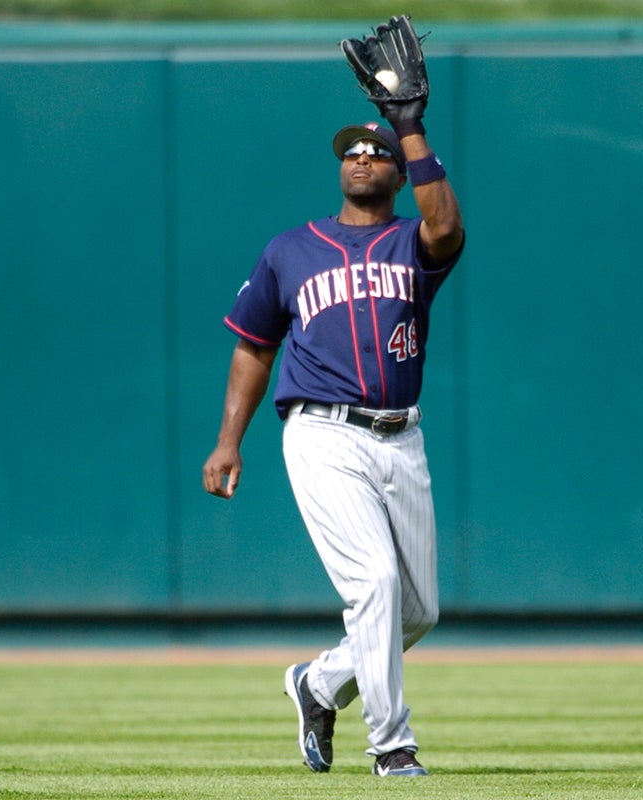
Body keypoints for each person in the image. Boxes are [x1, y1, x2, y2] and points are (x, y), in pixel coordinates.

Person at [201, 57, 464, 776]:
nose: (361, 158)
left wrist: (410, 124)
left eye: (377, 151)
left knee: (417, 612)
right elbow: (253, 347)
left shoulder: (415, 242)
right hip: (320, 431)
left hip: (400, 435)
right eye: (351, 149)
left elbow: (448, 226)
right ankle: (393, 747)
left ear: (400, 171)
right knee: (375, 585)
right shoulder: (290, 250)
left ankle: (318, 685)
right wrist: (229, 441)